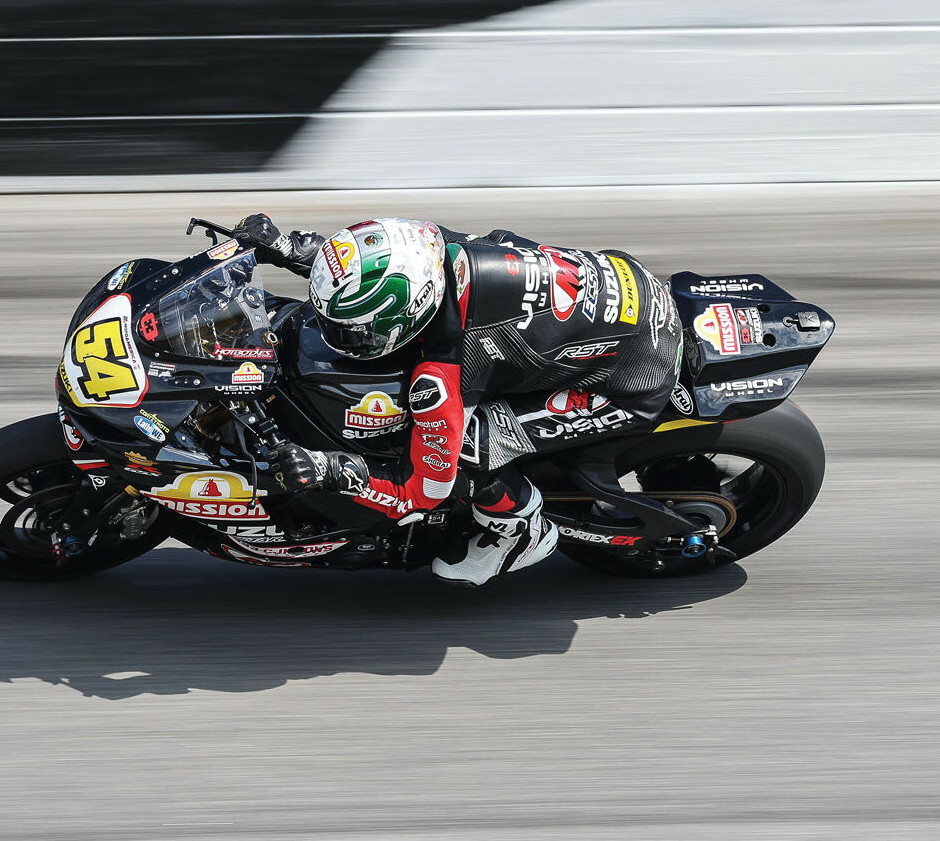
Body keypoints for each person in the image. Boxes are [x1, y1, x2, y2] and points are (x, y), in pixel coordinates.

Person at [237, 214, 682, 587]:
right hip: (630, 291)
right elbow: (372, 263)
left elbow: (422, 493)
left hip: (628, 382)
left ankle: (520, 530)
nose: (337, 337)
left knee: (466, 451)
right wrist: (290, 249)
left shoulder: (443, 373)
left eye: (350, 331)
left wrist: (330, 469)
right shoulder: (432, 245)